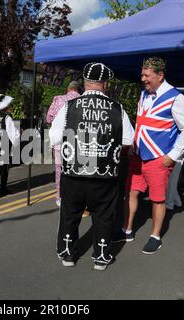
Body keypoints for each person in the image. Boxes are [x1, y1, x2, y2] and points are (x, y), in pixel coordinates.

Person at [49, 62, 134, 271]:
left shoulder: (69, 107)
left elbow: (53, 138)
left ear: (86, 83)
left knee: (70, 214)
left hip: (74, 172)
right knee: (103, 216)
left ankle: (68, 255)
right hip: (104, 175)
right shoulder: (117, 109)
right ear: (104, 84)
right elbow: (128, 139)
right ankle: (101, 257)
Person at [119, 57, 184, 254]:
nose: (142, 78)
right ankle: (126, 229)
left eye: (147, 75)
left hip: (158, 158)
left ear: (160, 76)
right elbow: (141, 123)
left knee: (158, 199)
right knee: (131, 193)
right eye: (142, 74)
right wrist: (133, 147)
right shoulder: (145, 94)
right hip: (138, 156)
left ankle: (155, 236)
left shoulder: (176, 98)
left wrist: (172, 156)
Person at [46, 81, 81, 207]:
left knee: (59, 169)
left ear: (68, 89)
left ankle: (59, 197)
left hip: (59, 140)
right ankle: (74, 197)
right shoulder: (82, 100)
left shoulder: (58, 99)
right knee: (77, 169)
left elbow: (49, 118)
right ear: (78, 90)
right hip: (77, 140)